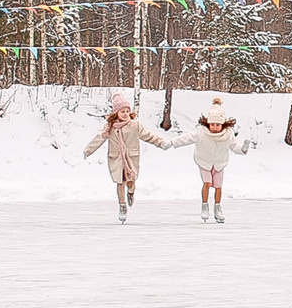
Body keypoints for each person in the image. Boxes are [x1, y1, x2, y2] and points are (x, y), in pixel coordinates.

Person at [82, 95, 177, 223]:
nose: (125, 114)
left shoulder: (134, 125)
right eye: (122, 112)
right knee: (120, 182)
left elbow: (148, 135)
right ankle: (122, 205)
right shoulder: (110, 127)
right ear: (116, 113)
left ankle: (131, 191)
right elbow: (99, 138)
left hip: (131, 158)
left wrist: (160, 142)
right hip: (116, 158)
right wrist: (88, 150)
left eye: (127, 111)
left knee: (130, 181)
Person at [187, 93, 251, 222]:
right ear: (208, 124)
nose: (215, 127)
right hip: (204, 162)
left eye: (218, 125)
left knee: (218, 186)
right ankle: (205, 206)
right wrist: (171, 143)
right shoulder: (202, 133)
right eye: (212, 124)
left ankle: (217, 207)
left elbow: (234, 146)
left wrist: (243, 149)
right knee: (207, 183)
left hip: (219, 164)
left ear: (222, 125)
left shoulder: (228, 134)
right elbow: (186, 138)